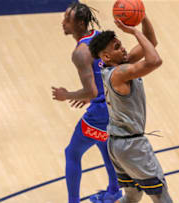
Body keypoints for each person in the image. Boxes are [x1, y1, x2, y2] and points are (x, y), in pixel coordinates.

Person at [88, 15, 173, 203]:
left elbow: (151, 42)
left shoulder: (117, 66)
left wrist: (143, 17)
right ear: (106, 57)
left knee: (132, 197)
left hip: (118, 144)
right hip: (132, 145)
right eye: (117, 47)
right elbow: (154, 61)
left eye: (120, 43)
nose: (124, 48)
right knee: (162, 197)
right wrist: (134, 31)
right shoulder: (119, 73)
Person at [52, 2, 121, 203]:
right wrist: (90, 94)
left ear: (80, 23)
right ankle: (114, 190)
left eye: (67, 18)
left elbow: (90, 92)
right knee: (103, 144)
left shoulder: (81, 52)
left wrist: (68, 95)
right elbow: (107, 71)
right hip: (116, 104)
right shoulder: (100, 37)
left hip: (100, 111)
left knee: (72, 152)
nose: (63, 22)